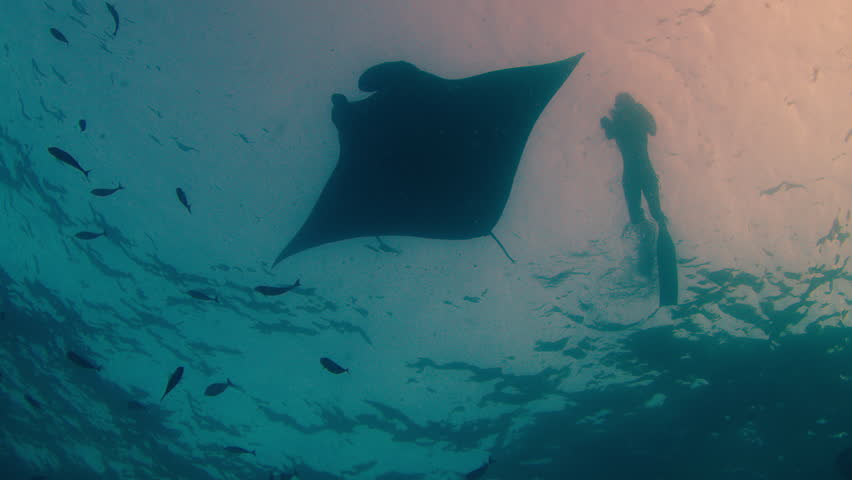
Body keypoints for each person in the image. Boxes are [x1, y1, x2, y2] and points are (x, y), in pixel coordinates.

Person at [601, 93, 678, 306]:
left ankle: (657, 233)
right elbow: (611, 135)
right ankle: (647, 248)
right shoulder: (618, 121)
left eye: (622, 105)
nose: (620, 108)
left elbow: (653, 129)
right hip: (632, 174)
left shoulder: (637, 114)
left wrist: (638, 114)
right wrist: (607, 125)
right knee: (635, 218)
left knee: (656, 213)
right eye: (619, 106)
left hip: (644, 170)